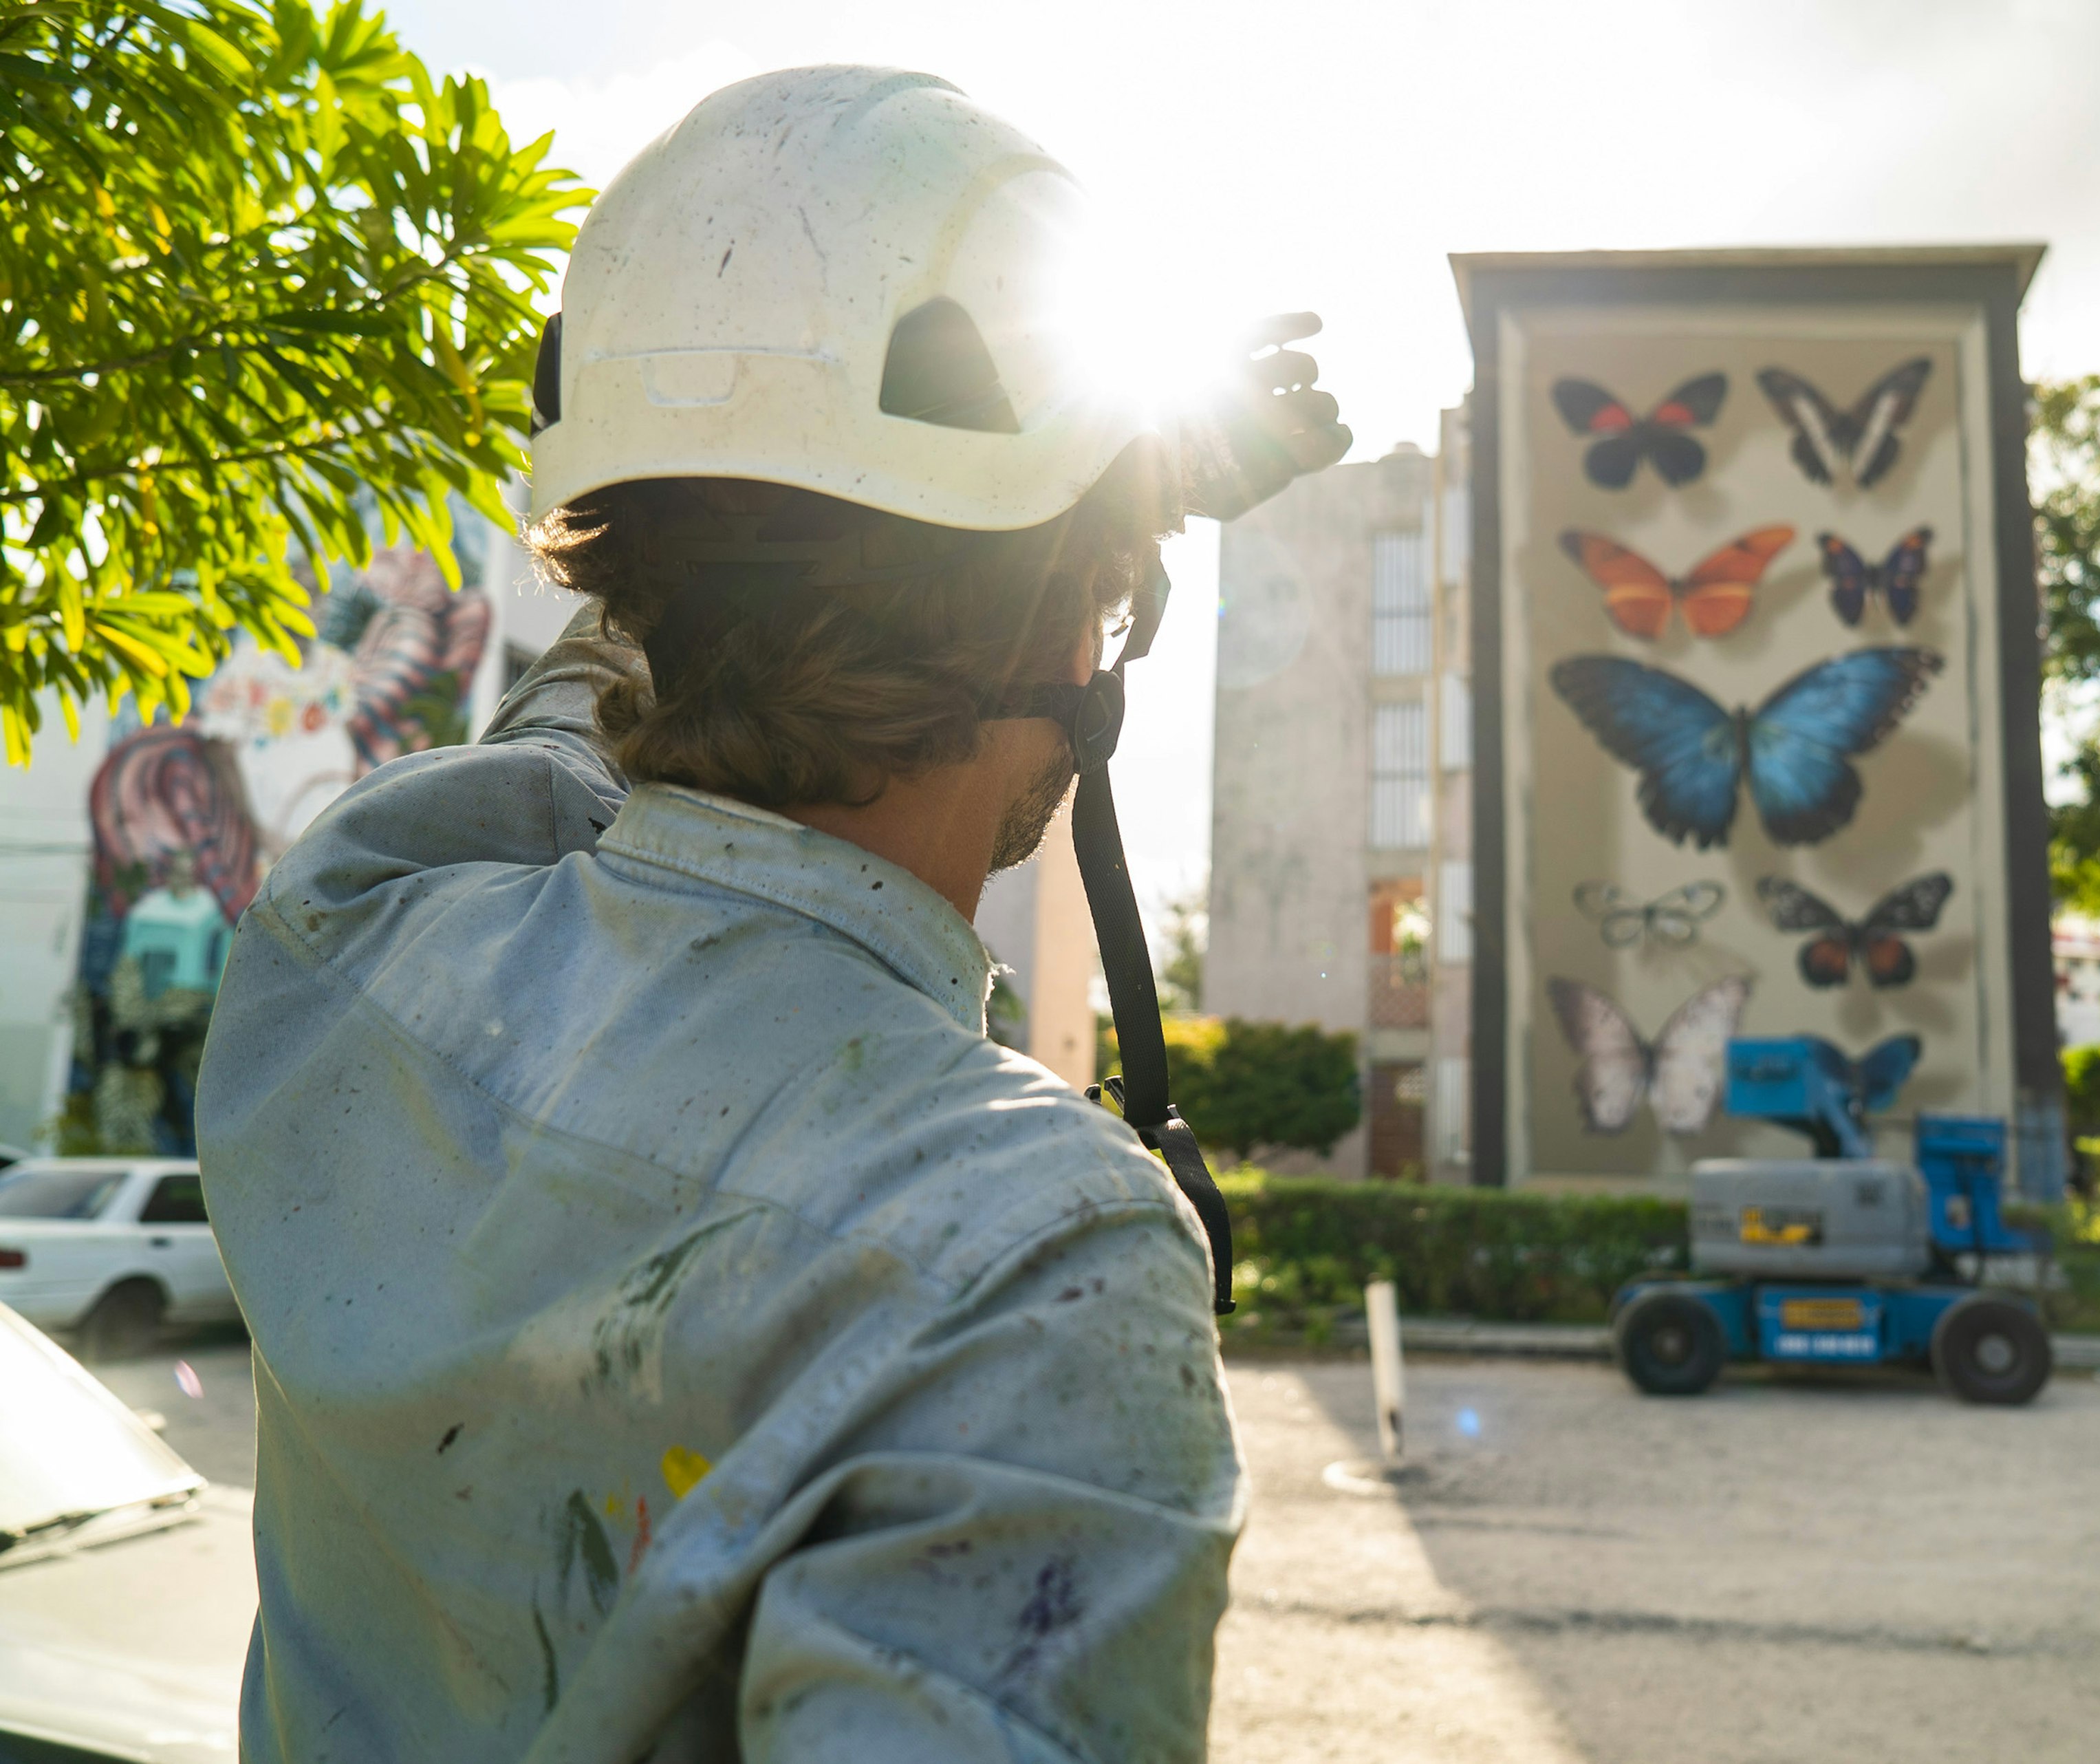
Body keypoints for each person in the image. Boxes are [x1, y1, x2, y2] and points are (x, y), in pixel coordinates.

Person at [197, 65, 1350, 1763]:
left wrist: (1066, 523)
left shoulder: (351, 932)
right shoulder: (1026, 1259)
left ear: (621, 565)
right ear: (1072, 621)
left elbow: (584, 722)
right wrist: (1093, 516)